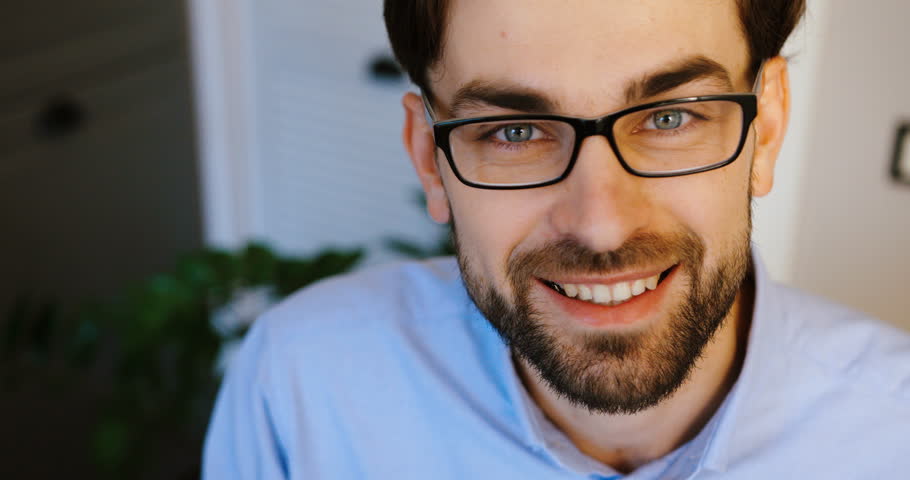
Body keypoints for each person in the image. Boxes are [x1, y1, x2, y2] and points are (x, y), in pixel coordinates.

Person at [203, 1, 910, 478]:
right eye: (514, 132)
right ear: (429, 159)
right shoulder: (298, 390)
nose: (601, 224)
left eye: (669, 118)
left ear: (767, 129)